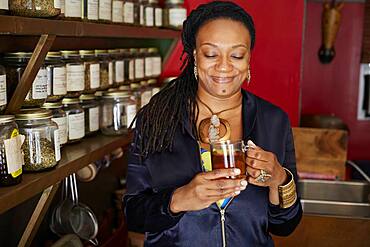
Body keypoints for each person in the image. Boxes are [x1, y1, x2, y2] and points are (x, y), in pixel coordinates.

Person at [123, 1, 302, 246]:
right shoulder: (156, 119)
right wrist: (179, 199)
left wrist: (279, 180)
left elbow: (286, 226)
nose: (224, 66)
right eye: (211, 54)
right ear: (195, 55)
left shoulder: (273, 120)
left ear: (249, 57)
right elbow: (133, 215)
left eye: (237, 55)